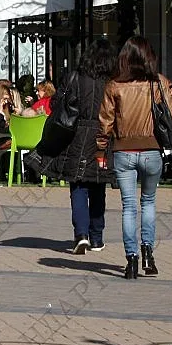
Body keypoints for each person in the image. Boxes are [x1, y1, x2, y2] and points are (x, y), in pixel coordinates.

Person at [97, 35, 172, 279]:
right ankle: (148, 254)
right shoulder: (159, 82)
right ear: (149, 57)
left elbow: (105, 123)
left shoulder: (114, 85)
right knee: (149, 203)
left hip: (123, 151)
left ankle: (131, 260)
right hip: (152, 150)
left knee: (129, 207)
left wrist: (101, 149)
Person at [27, 40, 116, 254]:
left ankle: (81, 235)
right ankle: (96, 237)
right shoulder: (112, 82)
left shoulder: (74, 77)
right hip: (102, 135)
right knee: (98, 185)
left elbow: (57, 103)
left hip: (75, 134)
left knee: (78, 185)